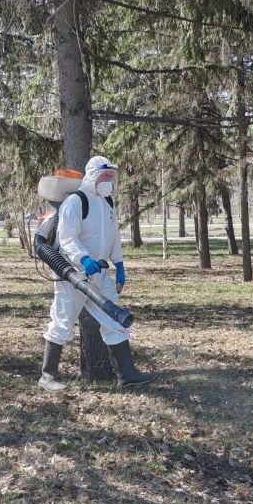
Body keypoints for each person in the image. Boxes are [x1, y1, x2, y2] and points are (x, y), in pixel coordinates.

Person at [39, 156, 156, 391]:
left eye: (111, 176)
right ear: (92, 175)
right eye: (105, 175)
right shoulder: (75, 201)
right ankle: (47, 376)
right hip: (72, 275)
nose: (108, 180)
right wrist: (83, 259)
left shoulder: (107, 202)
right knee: (62, 323)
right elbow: (67, 237)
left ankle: (127, 374)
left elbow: (112, 237)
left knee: (115, 320)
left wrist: (119, 264)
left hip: (99, 273)